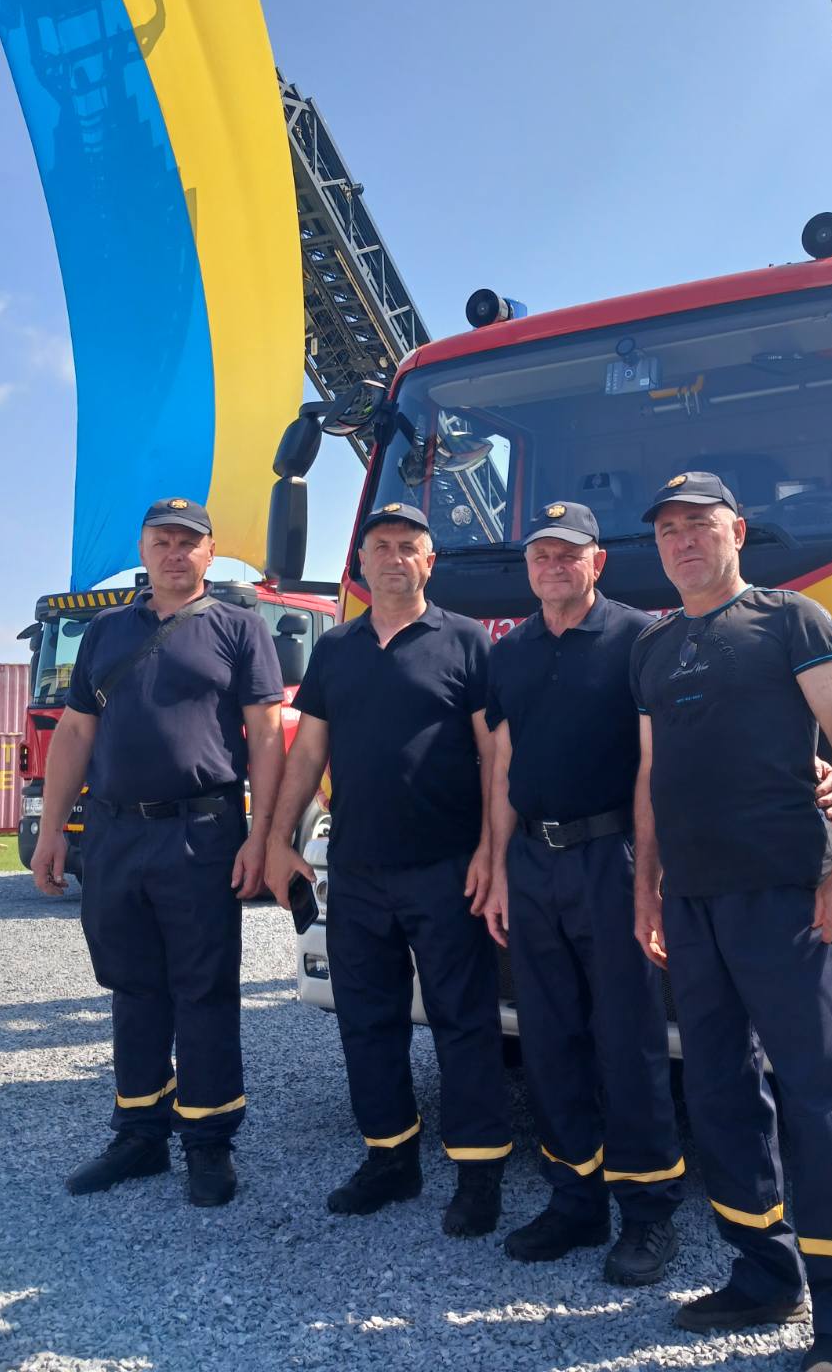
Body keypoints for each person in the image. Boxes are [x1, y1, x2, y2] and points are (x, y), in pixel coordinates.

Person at [630, 471, 832, 1372]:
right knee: (717, 1092)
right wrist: (646, 890)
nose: (683, 541)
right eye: (668, 530)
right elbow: (650, 777)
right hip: (691, 904)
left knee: (820, 1095)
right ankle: (762, 1272)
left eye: (699, 525)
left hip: (784, 899)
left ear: (736, 532)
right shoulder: (654, 648)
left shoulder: (792, 620)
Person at [264, 502, 510, 1238]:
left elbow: (495, 756)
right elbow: (308, 752)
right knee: (368, 1022)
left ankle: (478, 1174)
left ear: (430, 562)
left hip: (448, 870)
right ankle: (391, 1158)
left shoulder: (467, 641)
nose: (394, 557)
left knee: (464, 1023)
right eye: (381, 546)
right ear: (362, 563)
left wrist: (492, 851)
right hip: (358, 872)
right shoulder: (336, 649)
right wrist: (278, 839)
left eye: (409, 546)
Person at [31, 497, 285, 1208]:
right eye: (163, 541)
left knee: (204, 988)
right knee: (133, 986)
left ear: (210, 553)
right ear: (143, 550)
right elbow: (75, 733)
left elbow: (267, 736)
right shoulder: (107, 631)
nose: (176, 553)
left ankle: (208, 1142)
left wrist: (263, 835)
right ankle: (139, 1136)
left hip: (201, 832)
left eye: (188, 542)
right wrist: (52, 831)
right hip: (114, 832)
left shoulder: (238, 628)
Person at [482, 500, 685, 1285]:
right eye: (542, 555)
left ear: (598, 562)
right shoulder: (511, 652)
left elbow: (655, 766)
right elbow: (503, 765)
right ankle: (575, 1200)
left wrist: (649, 878)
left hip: (612, 858)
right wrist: (498, 866)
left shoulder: (639, 639)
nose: (554, 566)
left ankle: (647, 1212)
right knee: (549, 1038)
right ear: (528, 567)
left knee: (629, 1039)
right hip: (534, 864)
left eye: (570, 554)